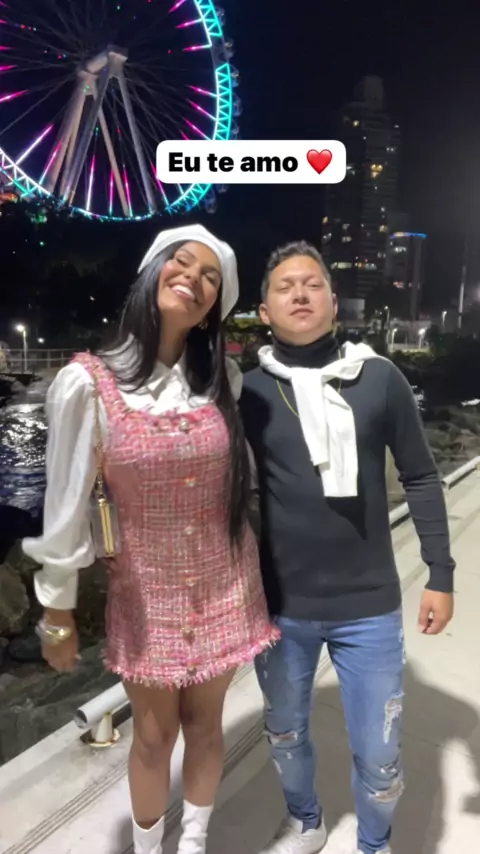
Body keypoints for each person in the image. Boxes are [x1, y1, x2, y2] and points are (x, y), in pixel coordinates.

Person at [22, 224, 279, 854]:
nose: (193, 278)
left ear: (215, 306)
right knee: (153, 736)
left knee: (207, 726)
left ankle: (192, 842)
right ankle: (147, 846)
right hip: (145, 593)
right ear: (151, 272)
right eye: (181, 262)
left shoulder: (223, 380)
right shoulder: (88, 384)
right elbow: (65, 504)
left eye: (211, 276)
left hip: (226, 581)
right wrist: (57, 610)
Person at [239, 241, 455, 854]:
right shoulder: (247, 392)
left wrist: (440, 573)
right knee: (284, 733)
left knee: (381, 756)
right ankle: (305, 821)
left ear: (334, 302)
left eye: (312, 284)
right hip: (280, 607)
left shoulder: (378, 377)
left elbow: (421, 476)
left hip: (369, 605)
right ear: (264, 310)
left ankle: (374, 843)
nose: (300, 294)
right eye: (285, 286)